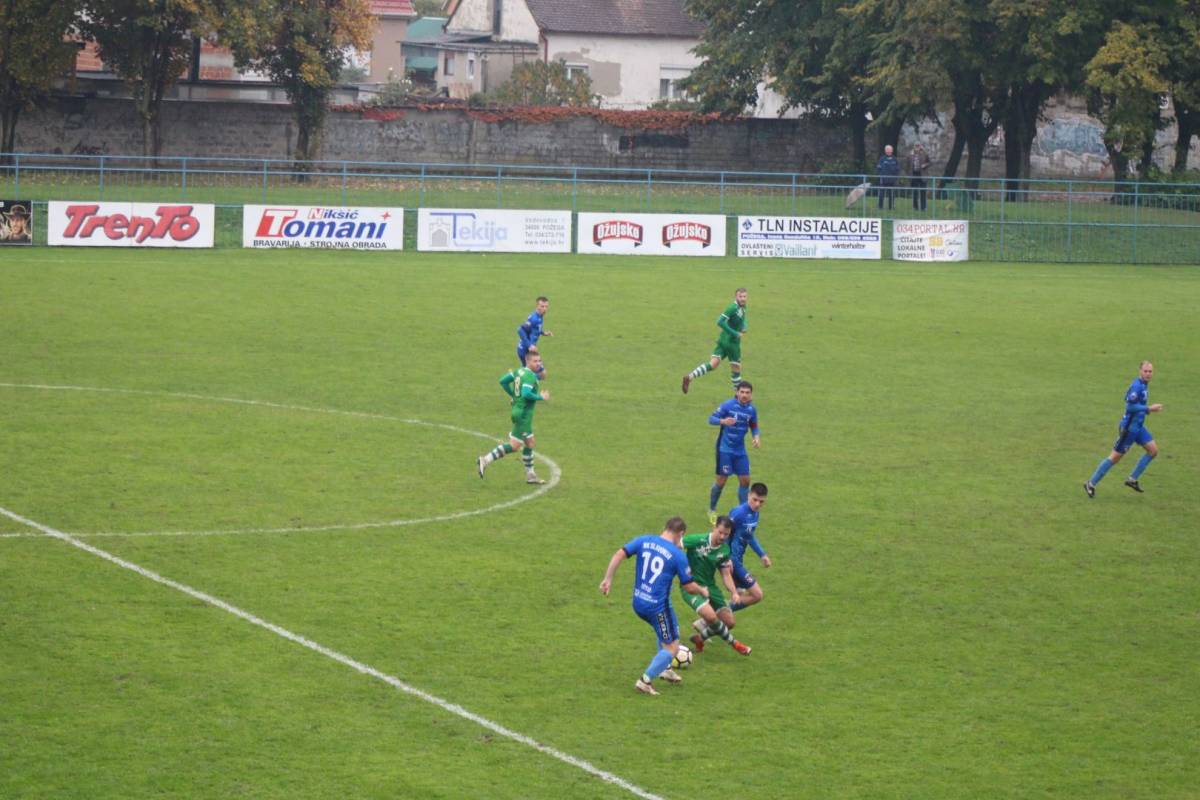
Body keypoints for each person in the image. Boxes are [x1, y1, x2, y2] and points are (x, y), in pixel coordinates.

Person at [599, 517, 709, 696]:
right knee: (672, 647)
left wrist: (608, 579)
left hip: (638, 601)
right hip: (656, 607)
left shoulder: (644, 540)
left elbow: (619, 554)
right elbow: (689, 586)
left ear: (664, 528)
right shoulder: (677, 555)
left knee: (671, 628)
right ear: (681, 534)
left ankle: (665, 669)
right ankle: (645, 681)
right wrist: (702, 590)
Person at [1085, 361, 1164, 497]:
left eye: (1150, 371)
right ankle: (1091, 483)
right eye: (1145, 371)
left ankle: (1132, 479)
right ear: (1140, 371)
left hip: (1138, 427)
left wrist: (1144, 411)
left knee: (1153, 451)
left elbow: (1130, 400)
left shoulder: (1143, 385)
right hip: (1129, 430)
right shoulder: (1137, 386)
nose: (1148, 374)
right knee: (1114, 457)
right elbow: (1130, 407)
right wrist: (1148, 409)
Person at [679, 516, 753, 656]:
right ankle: (736, 644)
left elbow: (725, 574)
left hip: (710, 587)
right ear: (714, 527)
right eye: (720, 532)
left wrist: (734, 592)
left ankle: (699, 638)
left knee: (729, 622)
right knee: (711, 617)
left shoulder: (724, 550)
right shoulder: (697, 540)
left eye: (726, 534)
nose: (722, 536)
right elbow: (676, 545)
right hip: (691, 587)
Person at [477, 350, 550, 484]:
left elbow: (503, 381)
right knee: (515, 446)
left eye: (539, 361)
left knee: (530, 443)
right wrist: (541, 397)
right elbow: (526, 393)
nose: (538, 363)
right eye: (535, 361)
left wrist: (514, 396)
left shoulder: (518, 371)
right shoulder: (530, 376)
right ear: (527, 361)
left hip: (518, 411)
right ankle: (485, 460)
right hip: (523, 415)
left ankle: (531, 475)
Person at [706, 381, 760, 524]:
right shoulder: (727, 405)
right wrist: (723, 421)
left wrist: (756, 436)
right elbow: (711, 419)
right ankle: (712, 509)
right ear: (737, 392)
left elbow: (754, 425)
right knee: (721, 481)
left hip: (740, 451)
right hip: (725, 450)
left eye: (747, 393)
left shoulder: (751, 410)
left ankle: (744, 511)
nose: (744, 395)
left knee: (745, 480)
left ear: (751, 395)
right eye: (742, 392)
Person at [682, 288, 747, 394]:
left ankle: (690, 377)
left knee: (713, 364)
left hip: (723, 340)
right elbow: (720, 322)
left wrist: (744, 326)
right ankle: (738, 397)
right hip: (732, 343)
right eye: (740, 296)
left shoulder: (743, 306)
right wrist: (735, 333)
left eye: (744, 296)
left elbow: (743, 318)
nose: (743, 299)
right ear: (736, 297)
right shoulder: (732, 308)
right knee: (736, 370)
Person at [726, 483, 771, 611]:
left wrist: (762, 554)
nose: (757, 504)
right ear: (748, 495)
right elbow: (723, 534)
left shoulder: (755, 514)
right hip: (732, 561)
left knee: (738, 597)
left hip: (738, 560)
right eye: (755, 499)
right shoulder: (738, 513)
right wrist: (726, 559)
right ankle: (714, 615)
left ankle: (712, 619)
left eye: (761, 502)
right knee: (757, 595)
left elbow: (749, 536)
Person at [516, 296, 552, 378]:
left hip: (530, 350)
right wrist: (530, 345)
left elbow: (535, 329)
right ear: (537, 306)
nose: (545, 309)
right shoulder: (534, 318)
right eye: (542, 306)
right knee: (539, 374)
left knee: (540, 374)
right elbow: (520, 330)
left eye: (546, 306)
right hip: (525, 350)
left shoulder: (540, 316)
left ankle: (519, 379)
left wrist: (543, 333)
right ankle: (518, 379)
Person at [909, 143, 932, 211]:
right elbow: (907, 165)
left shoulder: (924, 154)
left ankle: (923, 207)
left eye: (918, 146)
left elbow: (930, 162)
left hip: (922, 174)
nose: (917, 147)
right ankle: (915, 207)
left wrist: (925, 165)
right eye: (916, 146)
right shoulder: (910, 154)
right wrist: (909, 174)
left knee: (923, 191)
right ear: (914, 147)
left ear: (920, 147)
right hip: (914, 174)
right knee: (915, 191)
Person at [876, 145, 899, 210]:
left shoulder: (895, 159)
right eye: (887, 150)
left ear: (892, 150)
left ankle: (891, 207)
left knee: (891, 194)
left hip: (892, 180)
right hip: (883, 180)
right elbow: (878, 168)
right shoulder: (882, 159)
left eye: (890, 150)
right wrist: (881, 175)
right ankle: (880, 207)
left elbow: (898, 169)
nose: (888, 151)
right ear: (885, 151)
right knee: (881, 194)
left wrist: (895, 177)